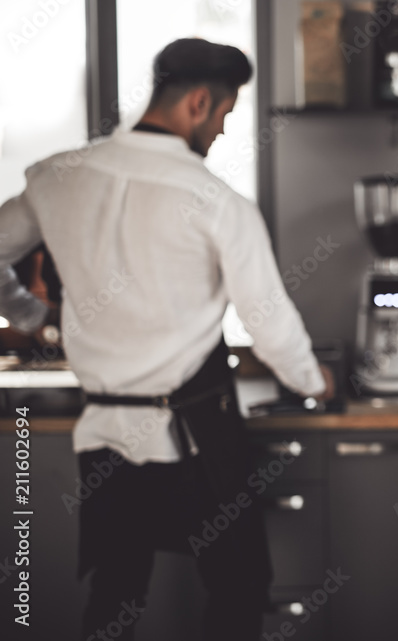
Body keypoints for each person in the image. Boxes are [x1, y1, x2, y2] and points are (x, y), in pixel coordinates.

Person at [0, 38, 334, 640]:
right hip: (199, 437)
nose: (224, 132)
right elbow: (268, 322)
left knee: (115, 597)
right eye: (227, 115)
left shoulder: (57, 178)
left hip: (104, 438)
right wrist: (316, 381)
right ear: (199, 102)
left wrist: (31, 314)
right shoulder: (217, 203)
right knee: (237, 591)